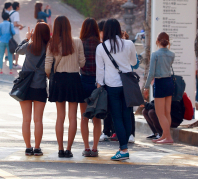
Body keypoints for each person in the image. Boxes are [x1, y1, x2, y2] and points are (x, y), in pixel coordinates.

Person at [95, 18, 137, 161]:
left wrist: (99, 85)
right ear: (119, 30)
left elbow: (100, 70)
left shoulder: (101, 47)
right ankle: (124, 147)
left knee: (116, 117)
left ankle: (123, 148)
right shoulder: (128, 43)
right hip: (127, 85)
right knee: (127, 115)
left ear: (106, 30)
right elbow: (134, 62)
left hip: (111, 85)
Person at [45, 16, 85, 158]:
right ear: (69, 27)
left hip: (59, 79)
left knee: (60, 116)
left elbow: (47, 65)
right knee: (73, 116)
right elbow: (82, 63)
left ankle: (60, 149)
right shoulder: (77, 42)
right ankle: (69, 149)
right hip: (74, 79)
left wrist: (51, 76)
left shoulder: (52, 43)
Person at [16, 22, 50, 156]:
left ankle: (28, 147)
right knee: (38, 120)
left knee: (26, 119)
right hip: (40, 87)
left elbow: (18, 50)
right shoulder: (49, 48)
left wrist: (26, 38)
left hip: (25, 87)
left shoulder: (29, 46)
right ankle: (37, 148)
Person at [144, 32, 176, 144]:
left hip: (160, 83)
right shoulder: (172, 54)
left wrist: (146, 86)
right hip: (169, 81)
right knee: (167, 112)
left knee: (160, 113)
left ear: (157, 41)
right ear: (168, 42)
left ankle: (168, 137)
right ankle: (165, 135)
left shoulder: (155, 54)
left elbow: (151, 72)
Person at [79, 18, 102, 157]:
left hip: (83, 82)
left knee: (84, 117)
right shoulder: (100, 45)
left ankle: (86, 148)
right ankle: (95, 148)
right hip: (97, 84)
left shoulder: (80, 44)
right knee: (97, 118)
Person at [10, 2, 24, 68]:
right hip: (16, 33)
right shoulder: (16, 13)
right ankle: (16, 63)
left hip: (11, 32)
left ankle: (12, 62)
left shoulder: (10, 12)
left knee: (12, 47)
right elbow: (15, 24)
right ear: (17, 6)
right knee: (18, 47)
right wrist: (20, 25)